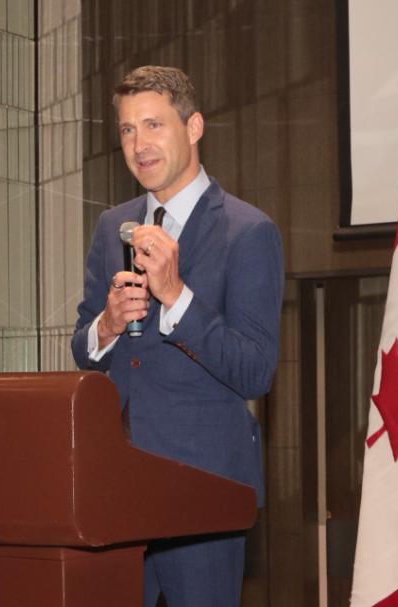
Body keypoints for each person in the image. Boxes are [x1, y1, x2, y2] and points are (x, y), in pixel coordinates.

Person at [70, 66, 283, 607]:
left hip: (203, 490)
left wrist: (178, 296)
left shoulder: (248, 231)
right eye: (126, 130)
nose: (139, 145)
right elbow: (84, 349)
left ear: (193, 128)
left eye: (153, 125)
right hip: (116, 484)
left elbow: (256, 371)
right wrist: (109, 325)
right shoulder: (110, 227)